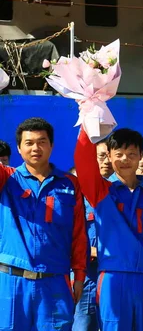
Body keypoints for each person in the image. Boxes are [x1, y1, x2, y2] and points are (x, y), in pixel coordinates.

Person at [74, 127, 143, 331]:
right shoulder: (100, 190)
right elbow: (83, 160)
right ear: (108, 156)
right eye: (119, 154)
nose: (125, 159)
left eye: (132, 154)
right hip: (113, 278)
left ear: (140, 156)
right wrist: (88, 125)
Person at [0, 118, 87, 330]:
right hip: (12, 281)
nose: (35, 148)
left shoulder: (70, 183)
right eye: (28, 143)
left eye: (42, 141)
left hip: (55, 281)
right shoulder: (6, 178)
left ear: (51, 145)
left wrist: (79, 274)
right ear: (19, 149)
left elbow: (78, 233)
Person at [72, 140, 115, 331]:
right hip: (87, 274)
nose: (106, 161)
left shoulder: (121, 194)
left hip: (115, 274)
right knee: (84, 324)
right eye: (101, 156)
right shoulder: (75, 194)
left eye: (109, 156)